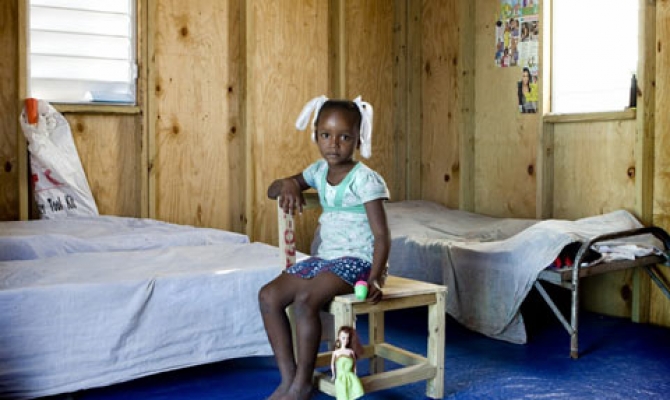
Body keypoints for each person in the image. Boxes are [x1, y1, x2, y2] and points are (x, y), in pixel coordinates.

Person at [259, 95, 390, 400]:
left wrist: (375, 277)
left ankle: (303, 383)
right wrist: (289, 183)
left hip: (358, 261)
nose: (334, 144)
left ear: (358, 139)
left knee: (305, 301)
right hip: (326, 259)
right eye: (326, 135)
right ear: (315, 135)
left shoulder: (365, 180)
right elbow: (272, 190)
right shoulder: (318, 171)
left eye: (345, 137)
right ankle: (288, 378)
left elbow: (382, 235)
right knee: (268, 296)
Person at [331, 326, 364, 400]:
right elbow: (332, 364)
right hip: (340, 377)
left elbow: (354, 364)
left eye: (347, 338)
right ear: (339, 337)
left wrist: (355, 373)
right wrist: (333, 375)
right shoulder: (336, 352)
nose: (345, 340)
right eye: (343, 338)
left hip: (350, 375)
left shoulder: (351, 352)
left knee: (353, 389)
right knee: (342, 392)